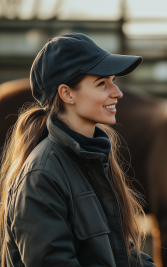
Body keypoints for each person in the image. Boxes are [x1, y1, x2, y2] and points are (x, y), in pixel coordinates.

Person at [0, 33, 155, 267]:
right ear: (67, 94)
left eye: (113, 80)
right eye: (102, 83)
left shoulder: (93, 159)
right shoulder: (41, 177)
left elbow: (120, 253)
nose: (117, 92)